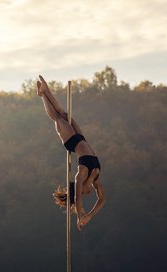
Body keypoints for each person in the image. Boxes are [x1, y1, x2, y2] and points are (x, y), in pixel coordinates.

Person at [37, 75, 105, 231]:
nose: (87, 193)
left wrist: (81, 216)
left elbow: (78, 199)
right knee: (63, 114)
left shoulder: (80, 175)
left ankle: (43, 95)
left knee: (57, 118)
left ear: (79, 189)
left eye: (83, 192)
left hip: (71, 142)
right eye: (87, 193)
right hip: (80, 138)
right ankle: (45, 91)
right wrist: (88, 215)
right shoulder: (95, 179)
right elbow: (101, 200)